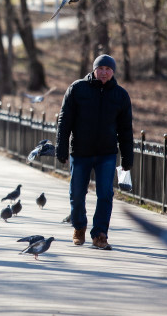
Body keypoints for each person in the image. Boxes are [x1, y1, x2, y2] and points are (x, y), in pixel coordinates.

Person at [55, 54, 133, 250]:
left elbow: (125, 129)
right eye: (101, 68)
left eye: (108, 69)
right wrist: (61, 147)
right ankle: (79, 227)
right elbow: (64, 121)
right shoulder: (77, 89)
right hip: (80, 152)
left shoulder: (120, 95)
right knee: (77, 193)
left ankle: (99, 234)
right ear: (94, 69)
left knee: (105, 194)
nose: (104, 72)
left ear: (113, 71)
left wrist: (127, 156)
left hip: (106, 154)